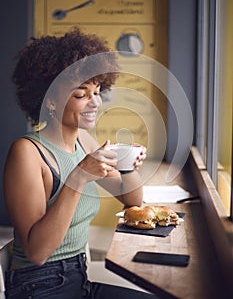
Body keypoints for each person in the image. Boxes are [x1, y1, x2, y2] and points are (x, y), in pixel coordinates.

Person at [3, 27, 160, 299]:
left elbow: (132, 200)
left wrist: (127, 166)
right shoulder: (27, 153)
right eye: (81, 94)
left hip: (79, 278)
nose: (95, 102)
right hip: (39, 286)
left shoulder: (84, 142)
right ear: (50, 101)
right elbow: (37, 253)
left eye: (97, 91)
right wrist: (78, 177)